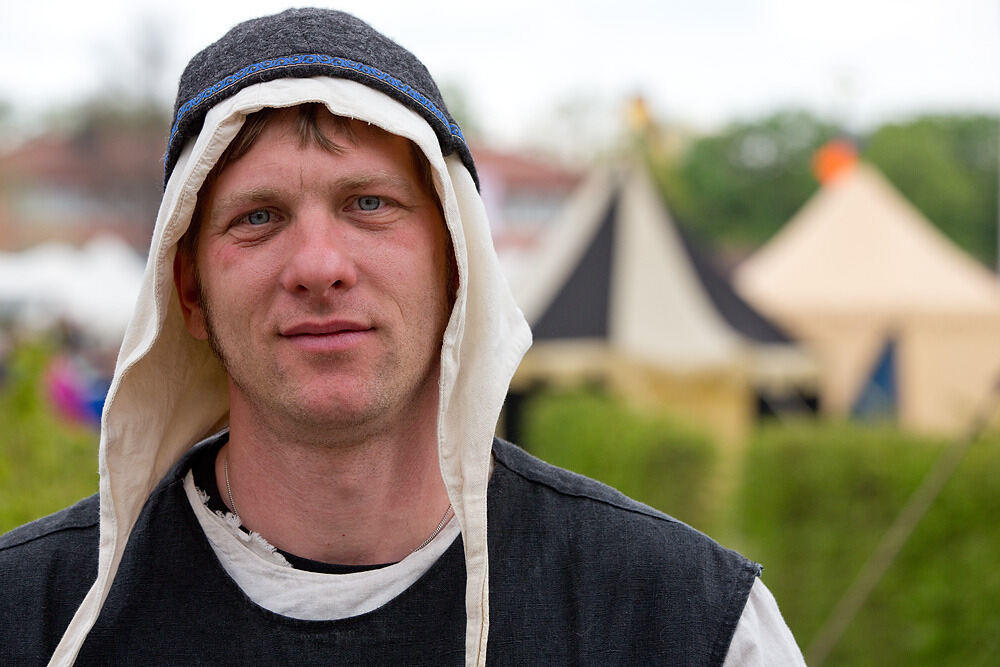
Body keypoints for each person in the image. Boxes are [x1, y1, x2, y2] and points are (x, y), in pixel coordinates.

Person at [0, 8, 805, 666]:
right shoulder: (29, 614)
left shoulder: (686, 623)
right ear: (189, 290)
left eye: (369, 204)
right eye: (258, 217)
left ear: (457, 262)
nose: (318, 266)